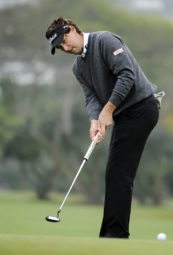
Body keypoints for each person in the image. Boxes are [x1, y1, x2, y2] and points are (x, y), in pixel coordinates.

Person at [45, 17, 163, 239]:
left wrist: (108, 110)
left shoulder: (105, 40)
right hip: (125, 114)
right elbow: (91, 97)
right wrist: (95, 121)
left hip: (142, 109)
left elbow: (127, 75)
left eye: (64, 40)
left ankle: (114, 235)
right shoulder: (78, 67)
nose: (65, 47)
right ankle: (112, 234)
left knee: (119, 173)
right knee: (116, 173)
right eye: (59, 46)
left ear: (72, 29)